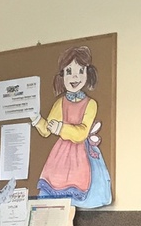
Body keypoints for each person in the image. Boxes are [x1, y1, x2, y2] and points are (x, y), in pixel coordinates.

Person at [33, 45, 112, 209]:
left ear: (88, 73)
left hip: (81, 154)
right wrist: (37, 120)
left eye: (80, 71)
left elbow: (82, 133)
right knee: (56, 190)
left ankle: (73, 216)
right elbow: (47, 130)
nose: (74, 77)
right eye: (69, 72)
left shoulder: (90, 104)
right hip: (60, 155)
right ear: (62, 76)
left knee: (77, 190)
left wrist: (61, 128)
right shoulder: (60, 103)